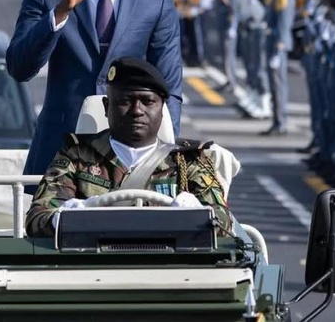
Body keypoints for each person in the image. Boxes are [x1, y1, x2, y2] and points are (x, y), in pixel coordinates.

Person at [7, 0, 183, 186]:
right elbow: (19, 67)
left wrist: (163, 152)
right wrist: (61, 10)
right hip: (59, 151)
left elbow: (170, 87)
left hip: (132, 156)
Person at [25, 57, 230, 238]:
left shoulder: (186, 161)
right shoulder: (76, 156)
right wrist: (71, 216)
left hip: (170, 270)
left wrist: (197, 214)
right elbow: (37, 219)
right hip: (91, 268)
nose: (136, 111)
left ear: (162, 108)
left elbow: (223, 223)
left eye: (147, 101)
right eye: (125, 101)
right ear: (107, 107)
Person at [260, 0, 296, 136]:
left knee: (277, 83)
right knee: (275, 84)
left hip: (277, 45)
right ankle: (277, 120)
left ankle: (280, 122)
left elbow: (283, 20)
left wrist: (280, 45)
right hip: (274, 41)